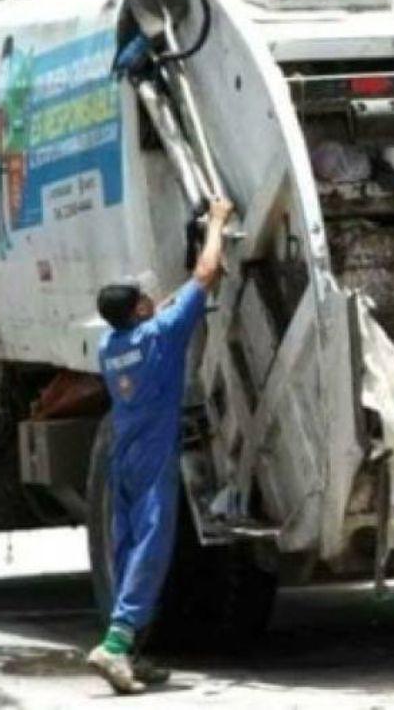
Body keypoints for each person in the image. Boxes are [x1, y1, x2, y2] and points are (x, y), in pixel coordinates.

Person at [86, 197, 234, 694]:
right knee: (151, 550)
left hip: (122, 456)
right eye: (144, 299)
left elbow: (165, 309)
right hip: (151, 459)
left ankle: (131, 648)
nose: (152, 300)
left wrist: (168, 302)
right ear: (137, 311)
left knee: (126, 550)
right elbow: (207, 273)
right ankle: (114, 645)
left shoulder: (113, 346)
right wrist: (216, 221)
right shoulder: (161, 338)